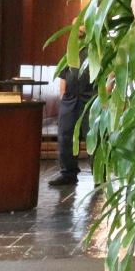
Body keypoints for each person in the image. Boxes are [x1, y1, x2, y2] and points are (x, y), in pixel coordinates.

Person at [50, 58, 93, 187]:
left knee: (93, 138)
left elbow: (110, 73)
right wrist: (63, 95)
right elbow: (63, 75)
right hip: (69, 99)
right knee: (65, 136)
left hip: (91, 98)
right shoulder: (70, 51)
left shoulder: (99, 49)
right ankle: (68, 174)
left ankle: (99, 177)